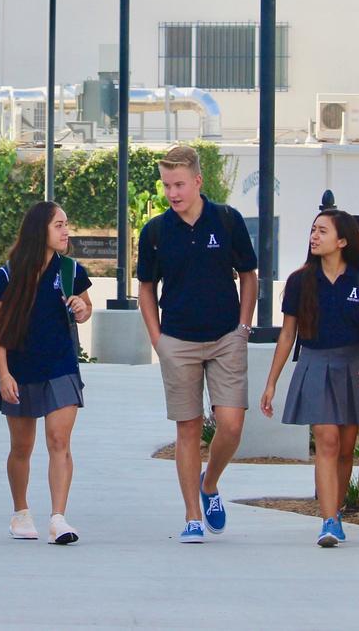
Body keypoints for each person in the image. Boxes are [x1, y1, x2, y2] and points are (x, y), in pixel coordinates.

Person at [136, 145, 258, 544]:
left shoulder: (227, 220)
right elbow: (146, 288)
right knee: (187, 428)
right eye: (167, 185)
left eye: (179, 184)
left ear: (197, 181)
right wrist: (157, 339)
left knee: (231, 424)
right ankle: (192, 517)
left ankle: (210, 483)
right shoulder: (155, 232)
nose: (172, 193)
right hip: (178, 341)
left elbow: (249, 275)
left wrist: (243, 327)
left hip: (226, 338)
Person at [260, 208, 359, 548]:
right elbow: (287, 335)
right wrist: (271, 382)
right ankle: (328, 521)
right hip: (314, 363)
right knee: (327, 440)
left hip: (354, 363)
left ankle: (336, 511)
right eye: (313, 230)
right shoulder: (299, 281)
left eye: (322, 231)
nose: (314, 236)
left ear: (342, 241)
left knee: (346, 448)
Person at [0, 201, 93, 545]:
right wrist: (4, 374)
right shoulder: (9, 274)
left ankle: (58, 518)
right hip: (20, 369)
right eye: (58, 225)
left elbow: (86, 308)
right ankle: (20, 513)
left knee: (59, 441)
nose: (66, 231)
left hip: (61, 367)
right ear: (39, 230)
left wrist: (82, 308)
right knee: (21, 446)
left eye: (66, 224)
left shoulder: (70, 270)